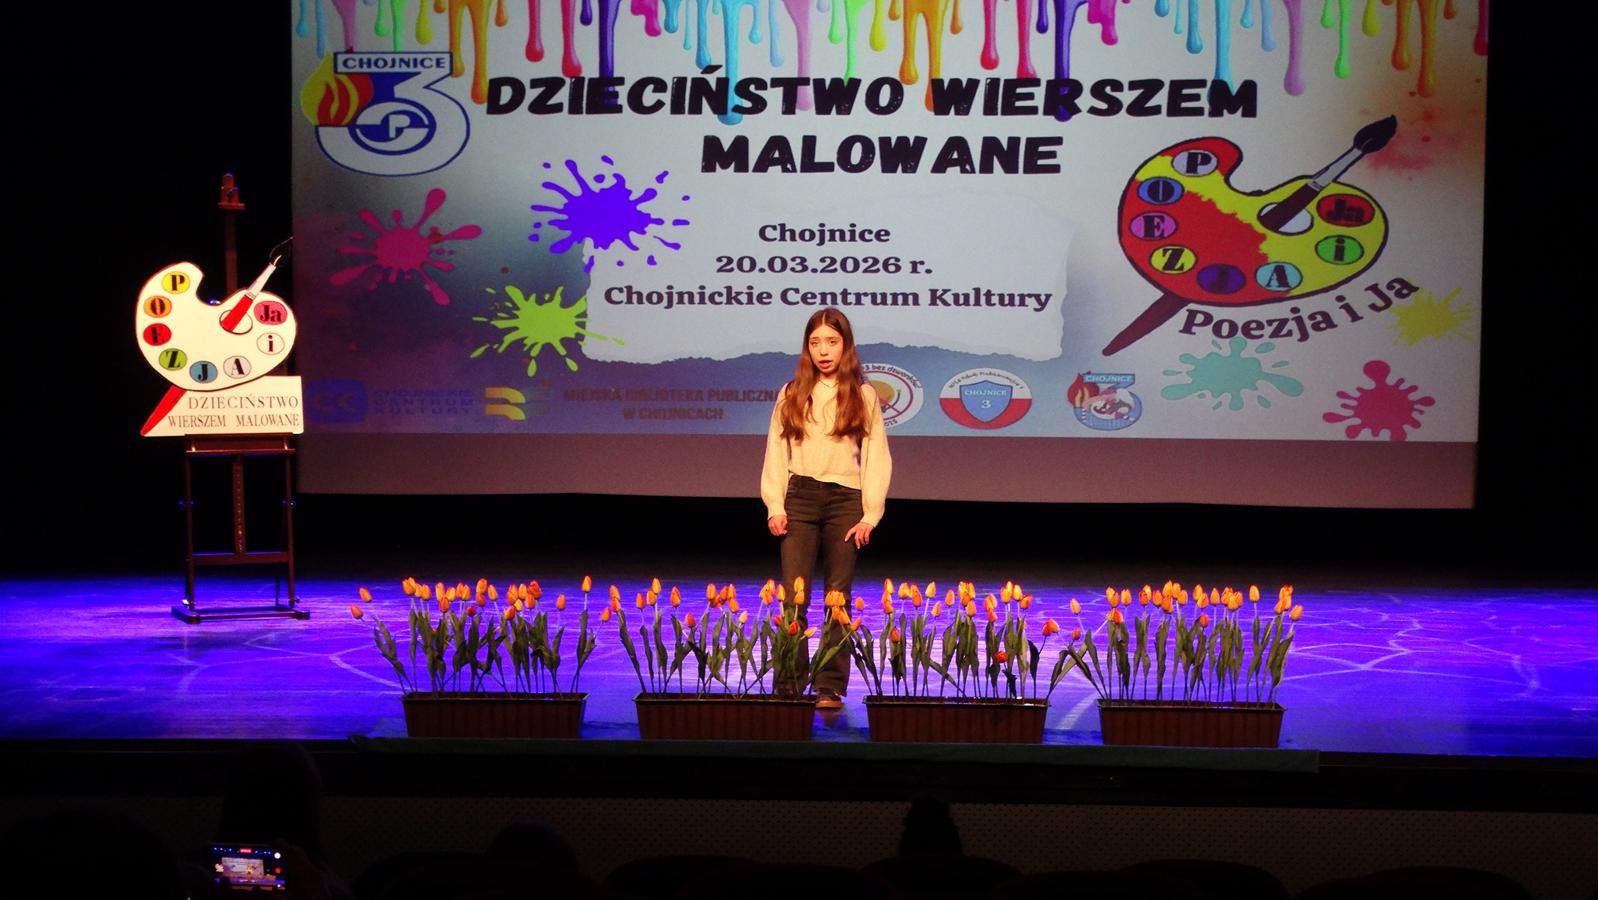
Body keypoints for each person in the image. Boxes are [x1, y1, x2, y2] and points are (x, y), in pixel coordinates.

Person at [760, 309, 892, 709]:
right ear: (807, 347)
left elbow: (876, 455)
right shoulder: (791, 392)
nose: (823, 350)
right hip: (799, 498)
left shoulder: (863, 395)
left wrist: (870, 514)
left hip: (845, 501)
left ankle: (829, 686)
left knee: (838, 597)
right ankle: (789, 682)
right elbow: (776, 450)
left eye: (832, 342)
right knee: (793, 597)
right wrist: (775, 504)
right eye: (815, 342)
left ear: (845, 346)